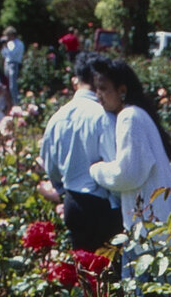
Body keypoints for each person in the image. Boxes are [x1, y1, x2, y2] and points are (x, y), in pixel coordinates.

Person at [88, 58, 171, 297]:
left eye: (103, 88)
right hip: (160, 218)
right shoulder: (137, 114)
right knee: (167, 286)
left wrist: (97, 170)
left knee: (140, 287)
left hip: (150, 221)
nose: (98, 96)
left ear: (122, 90)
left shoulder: (129, 117)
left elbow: (128, 173)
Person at [38, 51, 121, 250]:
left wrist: (61, 189)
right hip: (101, 206)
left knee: (83, 272)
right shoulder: (104, 116)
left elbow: (50, 166)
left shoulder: (58, 116)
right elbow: (115, 167)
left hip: (73, 202)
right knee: (109, 271)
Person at [1, 26, 25, 103]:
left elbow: (12, 54)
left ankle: (16, 102)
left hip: (14, 64)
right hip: (7, 63)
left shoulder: (19, 44)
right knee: (6, 84)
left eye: (8, 35)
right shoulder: (9, 44)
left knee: (12, 85)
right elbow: (4, 54)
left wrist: (6, 47)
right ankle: (8, 102)